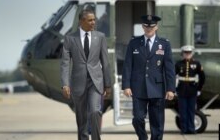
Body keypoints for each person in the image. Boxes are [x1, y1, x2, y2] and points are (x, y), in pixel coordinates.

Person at [122, 15, 175, 140]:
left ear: (156, 27)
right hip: (138, 88)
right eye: (146, 26)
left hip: (157, 88)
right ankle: (143, 138)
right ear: (142, 27)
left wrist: (171, 89)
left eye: (151, 26)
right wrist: (126, 86)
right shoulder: (134, 43)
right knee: (138, 118)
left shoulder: (164, 44)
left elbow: (169, 68)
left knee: (157, 122)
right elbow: (127, 65)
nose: (149, 28)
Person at [60, 9, 111, 140]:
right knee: (81, 118)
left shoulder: (100, 37)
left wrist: (108, 84)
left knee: (95, 112)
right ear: (81, 21)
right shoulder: (70, 39)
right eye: (90, 20)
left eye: (94, 19)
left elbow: (105, 62)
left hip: (95, 82)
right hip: (78, 83)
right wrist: (65, 84)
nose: (93, 22)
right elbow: (65, 63)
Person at [175, 45, 205, 134]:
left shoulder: (197, 64)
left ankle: (191, 129)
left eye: (189, 53)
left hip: (192, 90)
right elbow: (172, 76)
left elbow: (202, 77)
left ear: (192, 54)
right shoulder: (179, 64)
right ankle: (184, 129)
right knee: (182, 111)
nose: (187, 54)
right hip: (182, 90)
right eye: (185, 53)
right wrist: (173, 89)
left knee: (191, 111)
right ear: (182, 54)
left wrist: (199, 89)